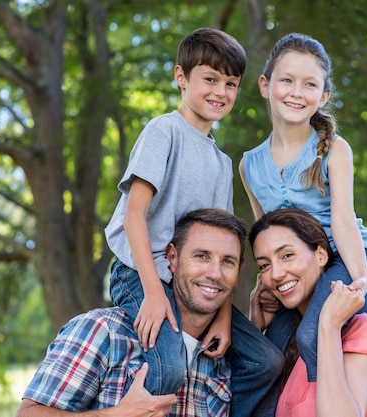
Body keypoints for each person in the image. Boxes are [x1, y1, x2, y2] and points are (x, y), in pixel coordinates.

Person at [104, 28, 283, 415]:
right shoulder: (163, 132)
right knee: (168, 366)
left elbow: (223, 246)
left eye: (231, 83)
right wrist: (153, 293)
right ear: (181, 77)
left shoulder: (221, 163)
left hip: (193, 280)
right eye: (210, 79)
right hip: (140, 272)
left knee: (265, 362)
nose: (221, 91)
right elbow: (134, 215)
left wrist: (222, 317)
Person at [17, 208, 275, 417]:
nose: (215, 273)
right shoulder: (103, 332)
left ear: (239, 271)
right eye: (201, 256)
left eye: (227, 261)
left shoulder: (228, 362)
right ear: (171, 258)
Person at [239, 32, 367, 384]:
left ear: (323, 96)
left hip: (348, 262)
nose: (296, 92)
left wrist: (361, 279)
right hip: (299, 275)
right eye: (286, 80)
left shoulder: (335, 150)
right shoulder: (249, 166)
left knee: (310, 335)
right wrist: (267, 287)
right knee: (266, 358)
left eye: (309, 84)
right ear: (264, 85)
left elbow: (344, 224)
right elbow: (267, 241)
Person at [248, 208, 367, 417]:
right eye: (264, 265)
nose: (276, 274)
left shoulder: (361, 331)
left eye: (287, 255)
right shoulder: (282, 340)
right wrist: (254, 332)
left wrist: (328, 325)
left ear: (320, 255)